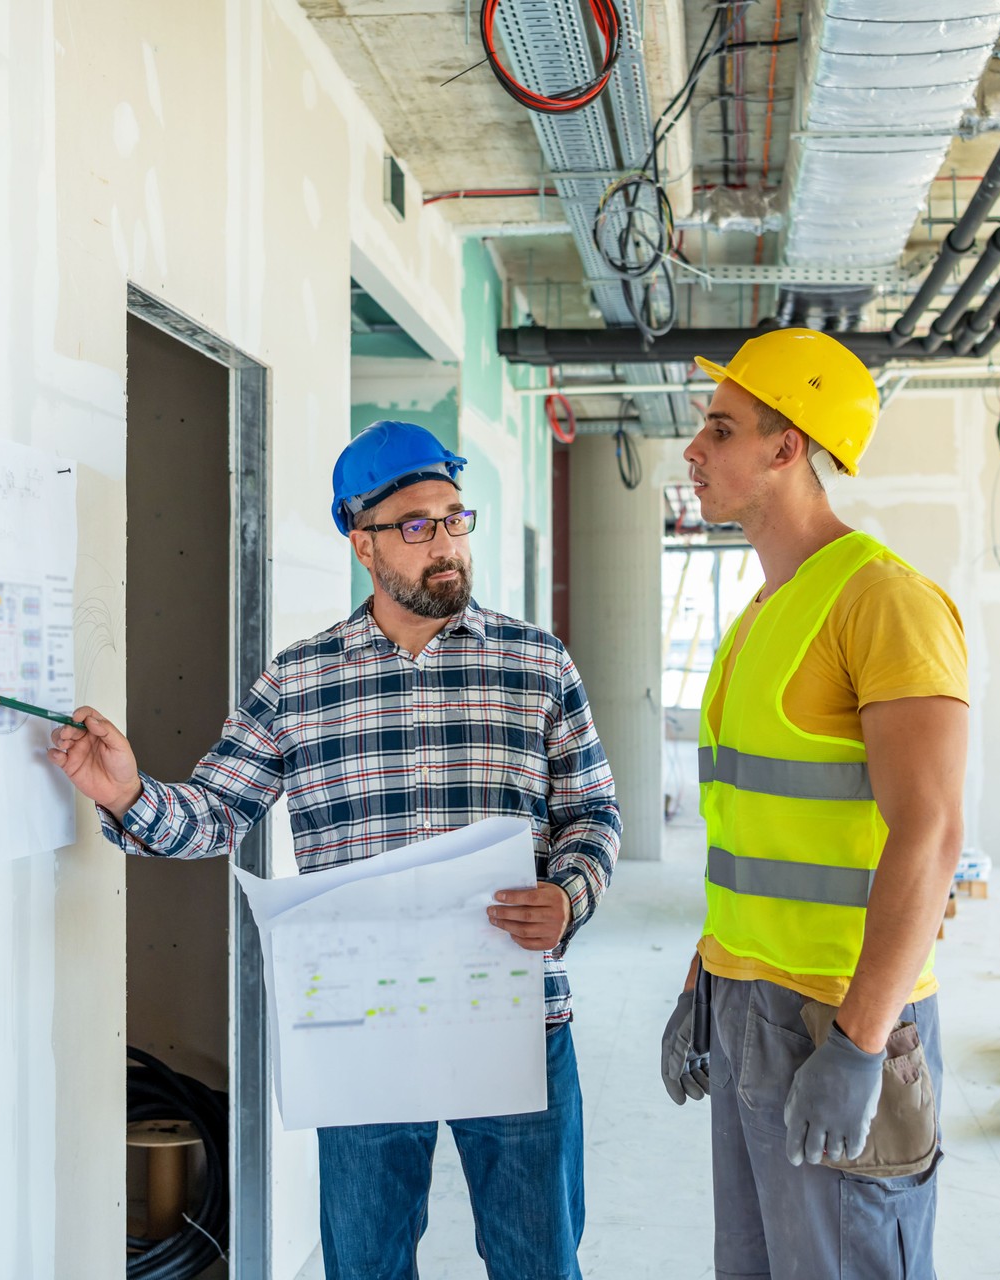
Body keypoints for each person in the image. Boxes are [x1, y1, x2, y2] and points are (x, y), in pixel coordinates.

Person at [48, 420, 620, 1280]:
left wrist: (569, 894)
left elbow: (593, 812)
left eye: (456, 519)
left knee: (538, 1260)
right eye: (417, 527)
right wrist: (127, 792)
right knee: (364, 1265)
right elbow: (214, 813)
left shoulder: (535, 665)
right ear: (363, 543)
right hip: (365, 1028)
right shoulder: (301, 679)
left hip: (515, 1017)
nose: (447, 546)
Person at [658, 329, 968, 1279]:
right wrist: (702, 981)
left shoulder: (881, 601)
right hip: (748, 1005)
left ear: (788, 448)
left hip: (838, 1018)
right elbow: (753, 834)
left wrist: (862, 1044)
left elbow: (933, 831)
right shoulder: (763, 613)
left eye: (720, 429)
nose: (693, 450)